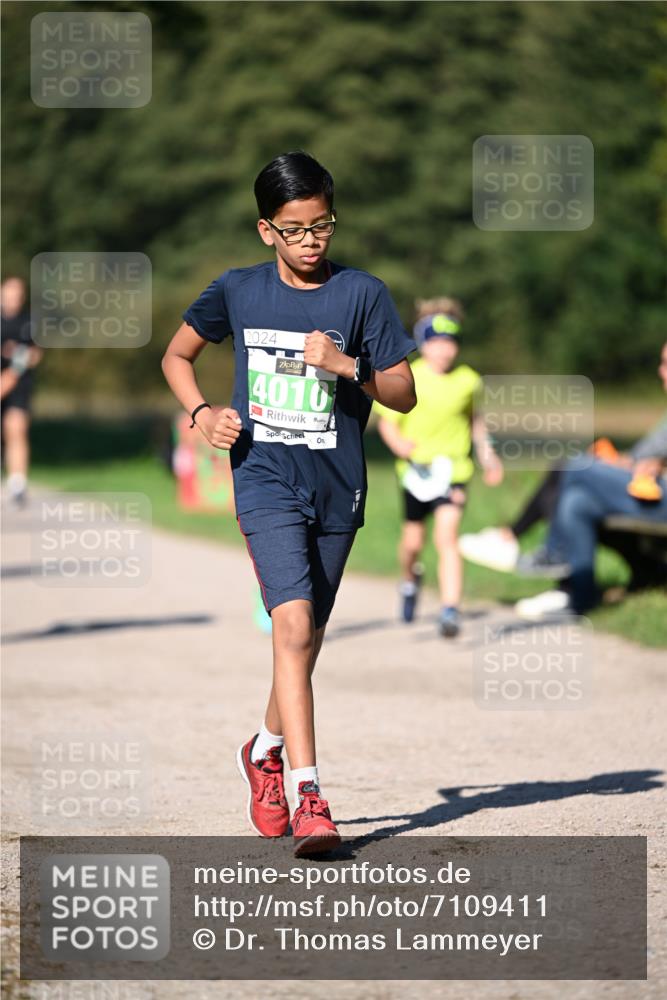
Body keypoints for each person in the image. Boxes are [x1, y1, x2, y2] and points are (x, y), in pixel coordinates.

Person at [161, 151, 416, 855]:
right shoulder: (238, 291)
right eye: (295, 229)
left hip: (338, 485)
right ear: (265, 230)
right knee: (293, 626)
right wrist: (202, 414)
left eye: (322, 225)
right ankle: (310, 797)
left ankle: (264, 750)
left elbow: (403, 393)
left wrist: (346, 366)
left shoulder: (362, 295)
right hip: (263, 477)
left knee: (303, 643)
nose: (312, 240)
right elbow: (175, 357)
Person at [460, 342, 667, 617]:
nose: (661, 371)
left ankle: (538, 546)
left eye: (666, 364)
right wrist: (626, 462)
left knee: (571, 465)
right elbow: (642, 458)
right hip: (645, 489)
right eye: (662, 363)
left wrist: (659, 469)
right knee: (577, 501)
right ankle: (579, 594)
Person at [375, 298, 503, 637]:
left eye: (451, 342)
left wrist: (488, 457)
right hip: (415, 473)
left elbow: (477, 423)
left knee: (447, 538)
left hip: (454, 471)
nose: (445, 350)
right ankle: (409, 580)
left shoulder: (468, 381)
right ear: (422, 342)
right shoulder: (408, 376)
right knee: (413, 543)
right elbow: (387, 423)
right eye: (437, 342)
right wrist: (400, 446)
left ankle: (449, 609)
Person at [1, 276, 43, 508]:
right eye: (9, 293)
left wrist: (12, 374)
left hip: (18, 383)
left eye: (17, 294)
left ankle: (17, 484)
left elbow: (35, 354)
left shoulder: (29, 322)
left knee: (15, 427)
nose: (13, 298)